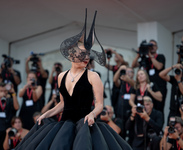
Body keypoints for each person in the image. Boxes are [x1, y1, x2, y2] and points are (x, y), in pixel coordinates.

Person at [15, 10, 132, 150]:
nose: (87, 57)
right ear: (71, 56)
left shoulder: (93, 76)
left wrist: (92, 114)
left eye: (88, 54)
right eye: (83, 54)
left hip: (85, 124)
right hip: (64, 125)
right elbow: (63, 104)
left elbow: (100, 104)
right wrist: (45, 114)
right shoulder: (61, 77)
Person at [131, 39, 167, 115]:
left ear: (157, 47)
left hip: (159, 86)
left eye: (153, 45)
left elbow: (159, 67)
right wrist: (138, 55)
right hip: (148, 87)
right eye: (150, 45)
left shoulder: (160, 56)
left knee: (158, 108)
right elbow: (133, 65)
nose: (152, 47)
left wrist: (150, 55)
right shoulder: (145, 59)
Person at [104, 48, 128, 114]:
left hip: (123, 85)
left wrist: (114, 52)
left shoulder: (124, 65)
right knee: (114, 103)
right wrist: (104, 54)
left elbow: (123, 61)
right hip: (115, 86)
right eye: (115, 56)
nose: (116, 57)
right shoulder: (114, 67)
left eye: (118, 56)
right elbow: (105, 64)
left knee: (120, 104)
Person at [113, 65, 135, 138]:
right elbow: (115, 80)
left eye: (130, 72)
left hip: (131, 112)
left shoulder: (134, 82)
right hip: (121, 112)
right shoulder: (122, 83)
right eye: (126, 72)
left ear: (133, 74)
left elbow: (135, 86)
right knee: (121, 133)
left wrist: (127, 79)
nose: (128, 73)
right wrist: (120, 69)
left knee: (131, 133)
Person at [0, 83, 19, 150]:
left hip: (7, 128)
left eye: (5, 91)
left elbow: (16, 107)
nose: (3, 93)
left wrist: (13, 93)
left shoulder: (9, 100)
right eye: (1, 91)